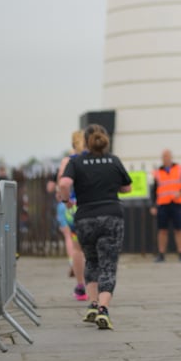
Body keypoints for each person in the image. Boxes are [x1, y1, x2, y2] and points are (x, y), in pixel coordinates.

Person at [59, 123, 132, 331]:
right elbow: (127, 187)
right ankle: (103, 309)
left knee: (91, 260)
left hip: (85, 218)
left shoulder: (77, 161)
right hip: (111, 216)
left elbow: (64, 184)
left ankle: (91, 304)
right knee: (108, 264)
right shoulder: (113, 160)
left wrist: (67, 201)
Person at [53, 129, 87, 301]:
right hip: (92, 205)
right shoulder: (92, 158)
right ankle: (97, 283)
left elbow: (62, 184)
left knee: (77, 248)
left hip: (73, 208)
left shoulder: (68, 160)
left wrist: (65, 201)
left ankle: (81, 286)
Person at [151, 149, 181, 262]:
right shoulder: (158, 172)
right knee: (162, 230)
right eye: (164, 156)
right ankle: (161, 253)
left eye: (167, 156)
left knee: (179, 229)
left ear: (171, 157)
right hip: (162, 204)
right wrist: (153, 205)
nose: (166, 158)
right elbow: (154, 190)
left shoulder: (180, 169)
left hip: (176, 203)